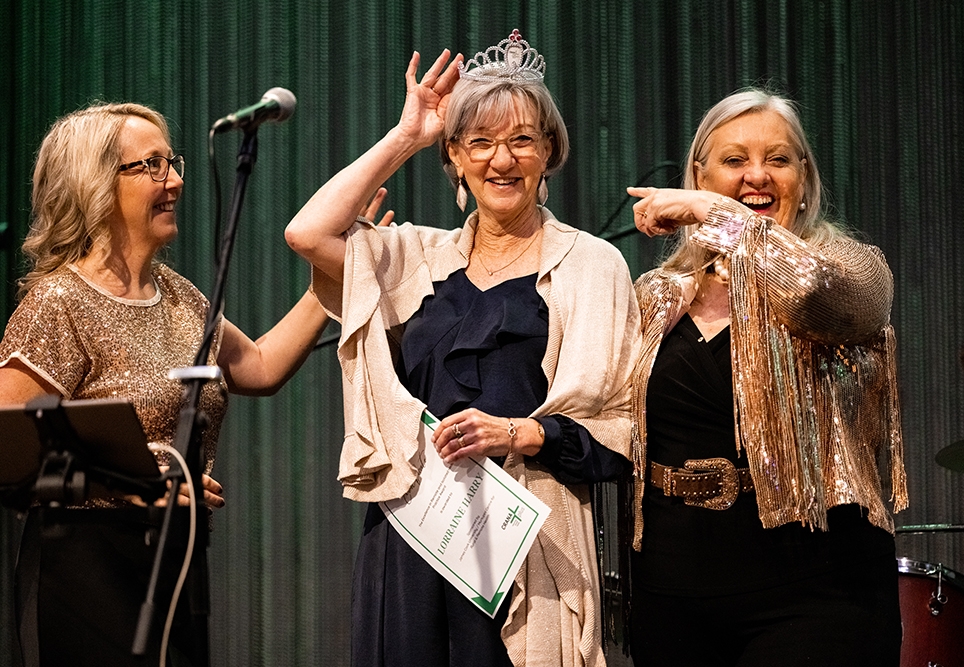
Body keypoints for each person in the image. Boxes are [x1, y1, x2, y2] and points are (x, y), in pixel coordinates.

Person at [285, 31, 641, 667]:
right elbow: (307, 232)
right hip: (415, 530)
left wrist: (515, 433)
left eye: (521, 141)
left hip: (525, 541)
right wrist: (407, 135)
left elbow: (615, 425)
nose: (501, 160)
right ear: (454, 155)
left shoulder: (592, 263)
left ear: (549, 151)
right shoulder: (417, 257)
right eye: (479, 142)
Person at [0, 102, 338, 666]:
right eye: (151, 166)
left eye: (172, 161)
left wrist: (331, 278)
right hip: (84, 568)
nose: (175, 180)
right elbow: (9, 451)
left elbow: (257, 366)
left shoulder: (178, 296)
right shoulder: (58, 303)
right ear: (96, 184)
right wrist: (132, 480)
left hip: (176, 561)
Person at [625, 89, 908, 666]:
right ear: (698, 173)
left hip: (818, 588)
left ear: (804, 176)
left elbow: (807, 292)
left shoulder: (851, 271)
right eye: (734, 161)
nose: (758, 175)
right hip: (673, 591)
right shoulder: (655, 297)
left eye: (778, 159)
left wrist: (715, 214)